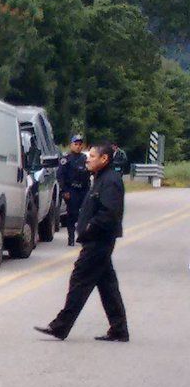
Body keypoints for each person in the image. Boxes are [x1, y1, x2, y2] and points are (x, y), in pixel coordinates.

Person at [35, 143, 129, 342]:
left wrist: (88, 229)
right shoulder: (100, 178)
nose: (88, 158)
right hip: (97, 241)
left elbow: (109, 214)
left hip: (99, 241)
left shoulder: (110, 181)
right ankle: (119, 328)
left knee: (80, 280)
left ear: (104, 159)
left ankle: (60, 326)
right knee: (107, 285)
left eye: (93, 156)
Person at [57, 135, 90, 246]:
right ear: (71, 145)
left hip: (84, 190)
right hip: (72, 190)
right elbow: (61, 176)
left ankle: (82, 236)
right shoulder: (66, 159)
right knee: (72, 215)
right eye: (75, 144)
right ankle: (71, 238)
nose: (78, 146)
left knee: (85, 214)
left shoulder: (85, 159)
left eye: (80, 144)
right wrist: (64, 191)